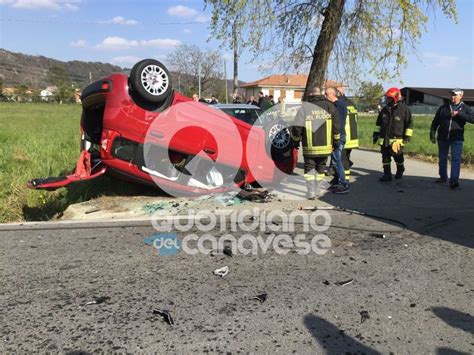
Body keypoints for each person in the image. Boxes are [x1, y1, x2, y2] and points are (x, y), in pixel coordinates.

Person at [292, 87, 342, 199]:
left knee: (309, 168)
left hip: (309, 147)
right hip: (325, 146)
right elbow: (336, 127)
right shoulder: (330, 107)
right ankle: (318, 190)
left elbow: (297, 128)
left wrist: (295, 142)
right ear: (321, 94)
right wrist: (336, 142)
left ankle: (311, 192)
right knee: (321, 167)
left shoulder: (304, 108)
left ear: (310, 95)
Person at [430, 88, 474, 189]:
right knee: (442, 158)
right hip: (442, 137)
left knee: (456, 159)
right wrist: (432, 132)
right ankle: (443, 177)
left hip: (457, 138)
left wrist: (459, 114)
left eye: (455, 95)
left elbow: (472, 119)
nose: (452, 97)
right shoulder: (444, 107)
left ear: (460, 96)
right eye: (451, 95)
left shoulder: (465, 108)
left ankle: (454, 180)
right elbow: (435, 121)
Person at [373, 87, 413, 181]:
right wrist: (375, 134)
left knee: (398, 158)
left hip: (397, 140)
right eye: (387, 98)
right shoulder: (384, 110)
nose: (387, 100)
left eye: (389, 98)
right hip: (384, 140)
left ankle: (400, 169)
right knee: (385, 158)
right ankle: (387, 175)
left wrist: (407, 136)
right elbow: (378, 124)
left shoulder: (404, 109)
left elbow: (409, 123)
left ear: (395, 98)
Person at [325, 87, 349, 193]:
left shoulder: (339, 105)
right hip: (337, 135)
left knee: (336, 160)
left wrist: (335, 138)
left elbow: (337, 123)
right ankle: (336, 181)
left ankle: (343, 184)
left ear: (332, 94)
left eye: (326, 94)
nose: (325, 96)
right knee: (335, 160)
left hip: (339, 136)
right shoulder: (336, 105)